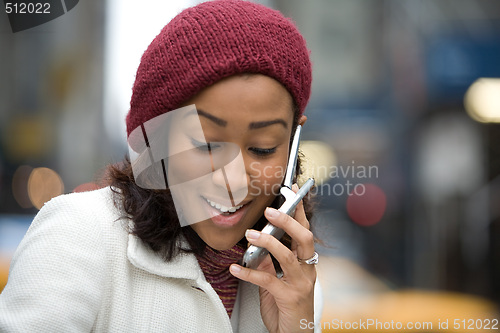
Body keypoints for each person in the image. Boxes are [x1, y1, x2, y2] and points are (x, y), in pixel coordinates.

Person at [0, 0, 322, 332]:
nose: (233, 180)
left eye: (263, 148)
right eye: (206, 145)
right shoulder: (78, 234)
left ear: (293, 142)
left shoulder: (295, 284)